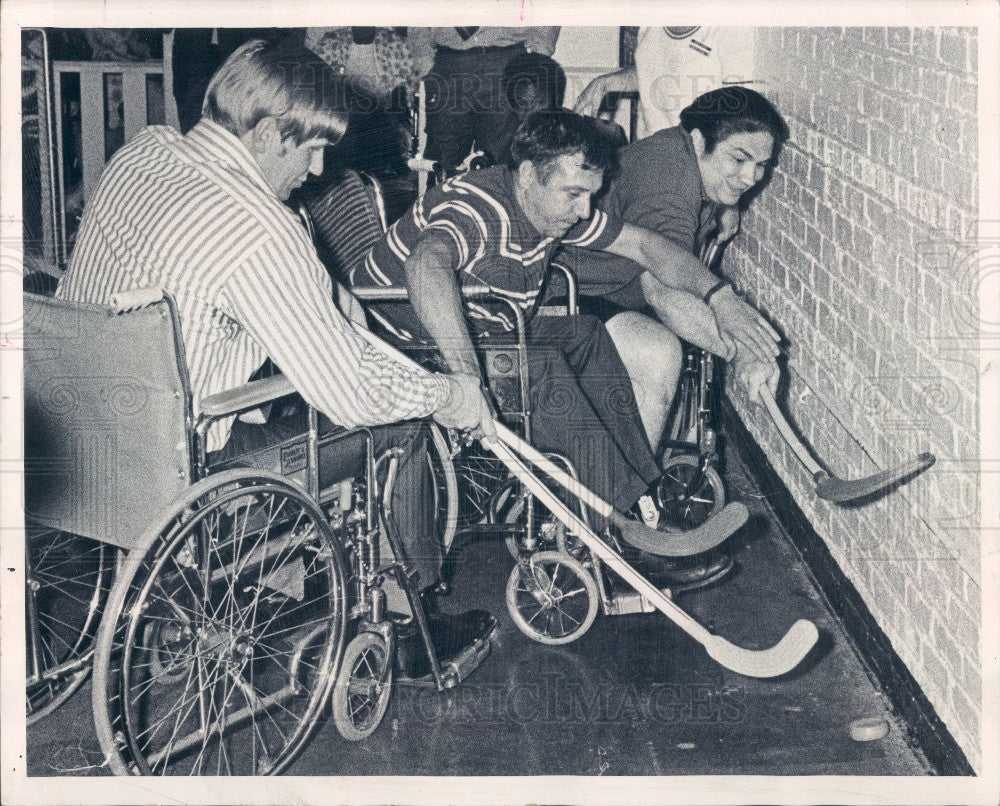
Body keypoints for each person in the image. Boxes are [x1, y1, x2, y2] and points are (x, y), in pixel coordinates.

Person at [56, 38, 496, 677]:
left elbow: (249, 279)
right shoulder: (259, 228)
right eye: (313, 147)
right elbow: (353, 395)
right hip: (173, 473)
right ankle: (413, 625)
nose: (318, 171)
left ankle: (304, 583)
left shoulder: (143, 152)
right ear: (266, 133)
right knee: (401, 424)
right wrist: (447, 394)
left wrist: (330, 298)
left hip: (69, 440)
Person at [349, 109, 779, 586]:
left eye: (590, 195)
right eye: (573, 194)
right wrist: (466, 378)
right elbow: (426, 266)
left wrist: (721, 300)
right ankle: (620, 538)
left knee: (585, 334)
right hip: (406, 345)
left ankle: (642, 505)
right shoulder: (476, 207)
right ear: (530, 175)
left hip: (487, 326)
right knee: (546, 371)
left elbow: (647, 248)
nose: (583, 210)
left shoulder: (551, 206)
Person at [556, 86, 789, 456]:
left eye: (761, 166)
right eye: (739, 160)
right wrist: (743, 352)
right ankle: (620, 500)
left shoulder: (679, 153)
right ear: (699, 141)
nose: (750, 179)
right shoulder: (668, 180)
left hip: (610, 286)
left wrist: (725, 205)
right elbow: (665, 291)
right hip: (568, 292)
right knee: (658, 352)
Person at [407, 26, 561, 171]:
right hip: (449, 63)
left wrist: (539, 54)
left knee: (501, 161)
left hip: (506, 60)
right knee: (443, 160)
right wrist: (422, 60)